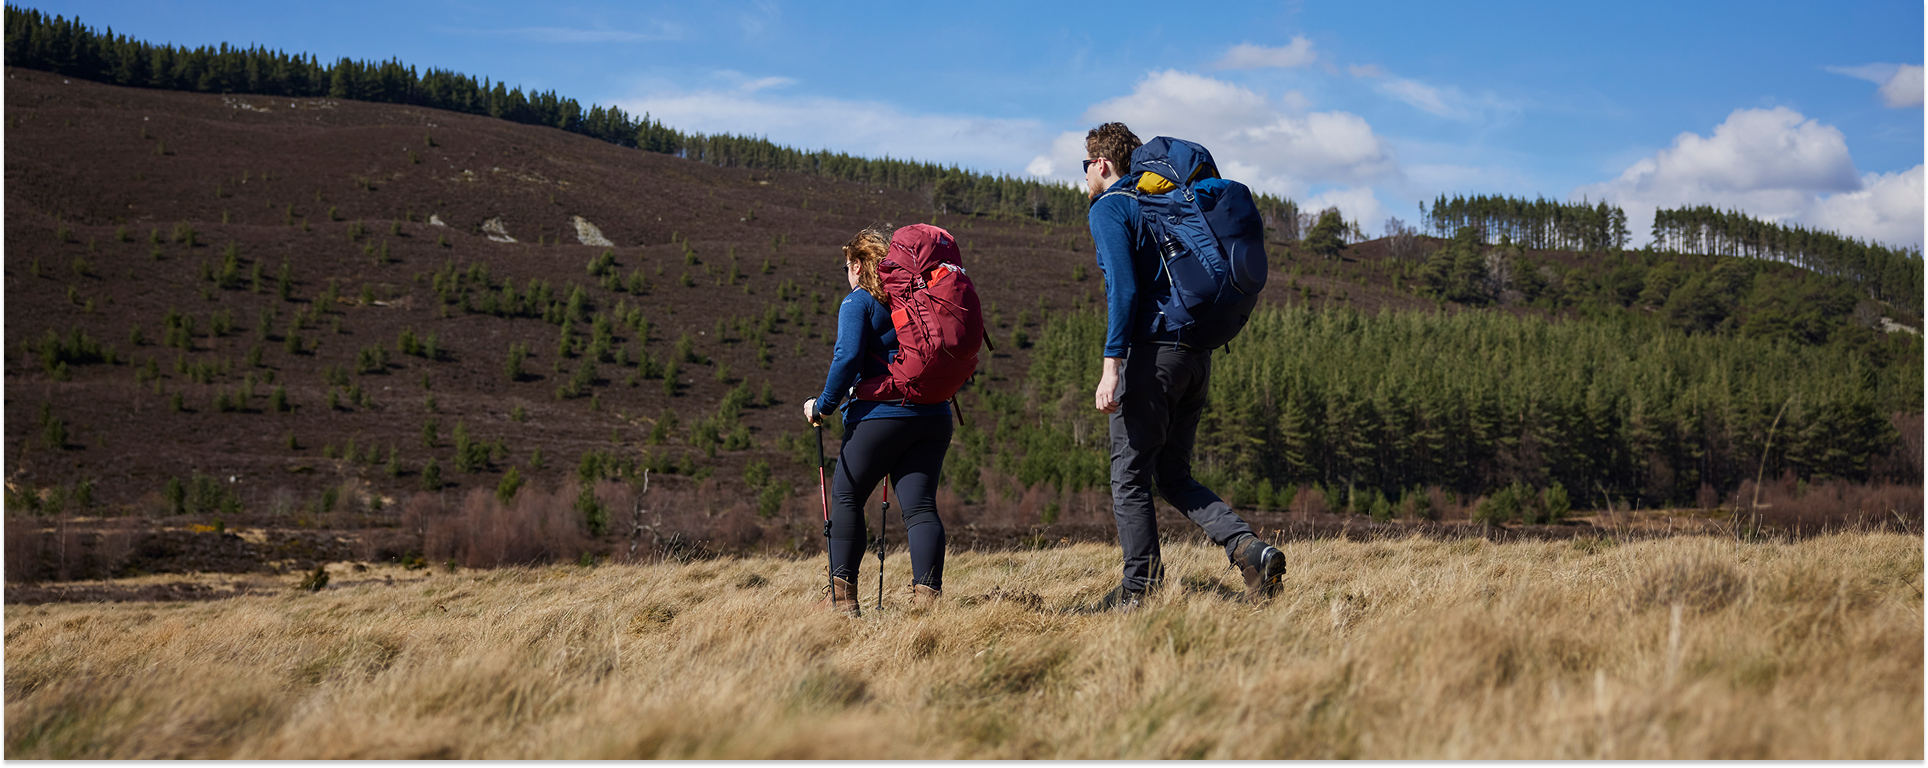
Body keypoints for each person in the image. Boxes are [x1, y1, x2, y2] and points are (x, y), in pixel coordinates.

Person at [1082, 122, 1286, 610]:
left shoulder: (1111, 208)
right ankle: (1248, 550)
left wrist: (1112, 366)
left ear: (1102, 164)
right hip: (1195, 356)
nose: (1084, 174)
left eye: (1084, 165)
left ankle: (1140, 589)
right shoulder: (1163, 204)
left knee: (1129, 476)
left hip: (1152, 359)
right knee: (1173, 473)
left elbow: (1124, 291)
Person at [804, 228, 953, 614]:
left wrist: (823, 405)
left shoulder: (859, 301)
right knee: (920, 508)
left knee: (848, 497)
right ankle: (927, 606)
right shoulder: (919, 300)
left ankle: (841, 601)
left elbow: (847, 357)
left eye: (846, 266)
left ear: (856, 265)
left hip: (881, 416)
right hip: (935, 414)